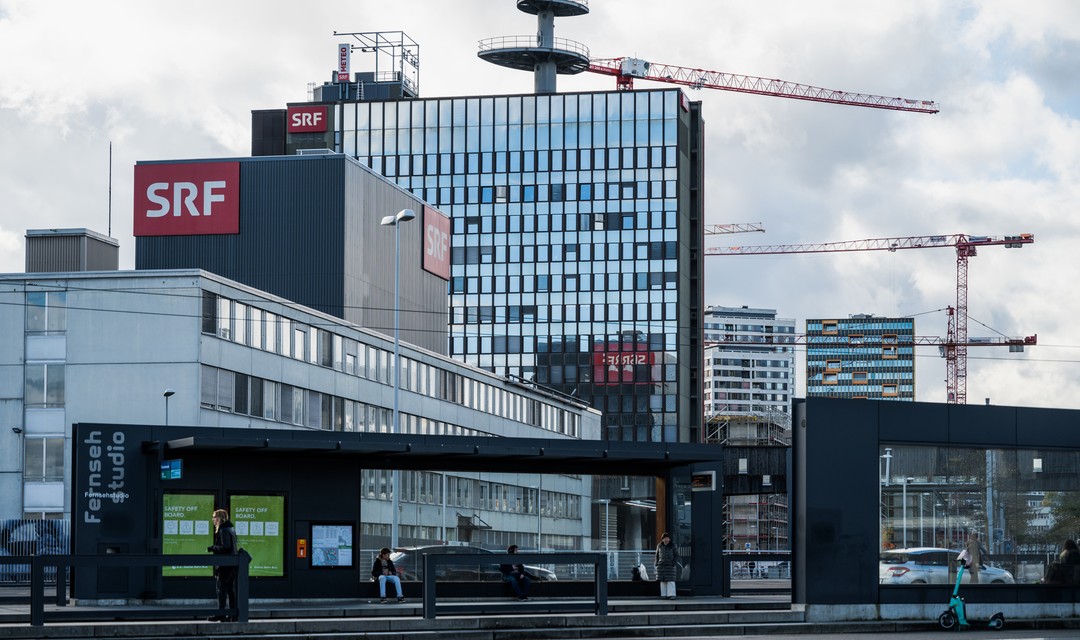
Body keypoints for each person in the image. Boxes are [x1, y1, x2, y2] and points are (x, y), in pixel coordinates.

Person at [206, 508, 238, 622]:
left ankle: (221, 614)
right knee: (230, 590)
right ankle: (232, 614)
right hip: (232, 565)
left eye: (214, 517)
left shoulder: (223, 530)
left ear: (220, 518)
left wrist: (212, 548)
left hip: (225, 565)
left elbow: (226, 547)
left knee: (221, 589)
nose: (213, 520)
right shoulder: (230, 528)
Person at [654, 532, 680, 599]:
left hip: (670, 565)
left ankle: (671, 595)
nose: (666, 539)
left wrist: (674, 563)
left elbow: (676, 555)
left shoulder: (673, 545)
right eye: (665, 538)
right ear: (662, 539)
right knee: (663, 580)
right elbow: (656, 555)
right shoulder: (659, 545)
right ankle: (664, 595)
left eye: (667, 538)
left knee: (670, 581)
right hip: (661, 566)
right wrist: (656, 563)